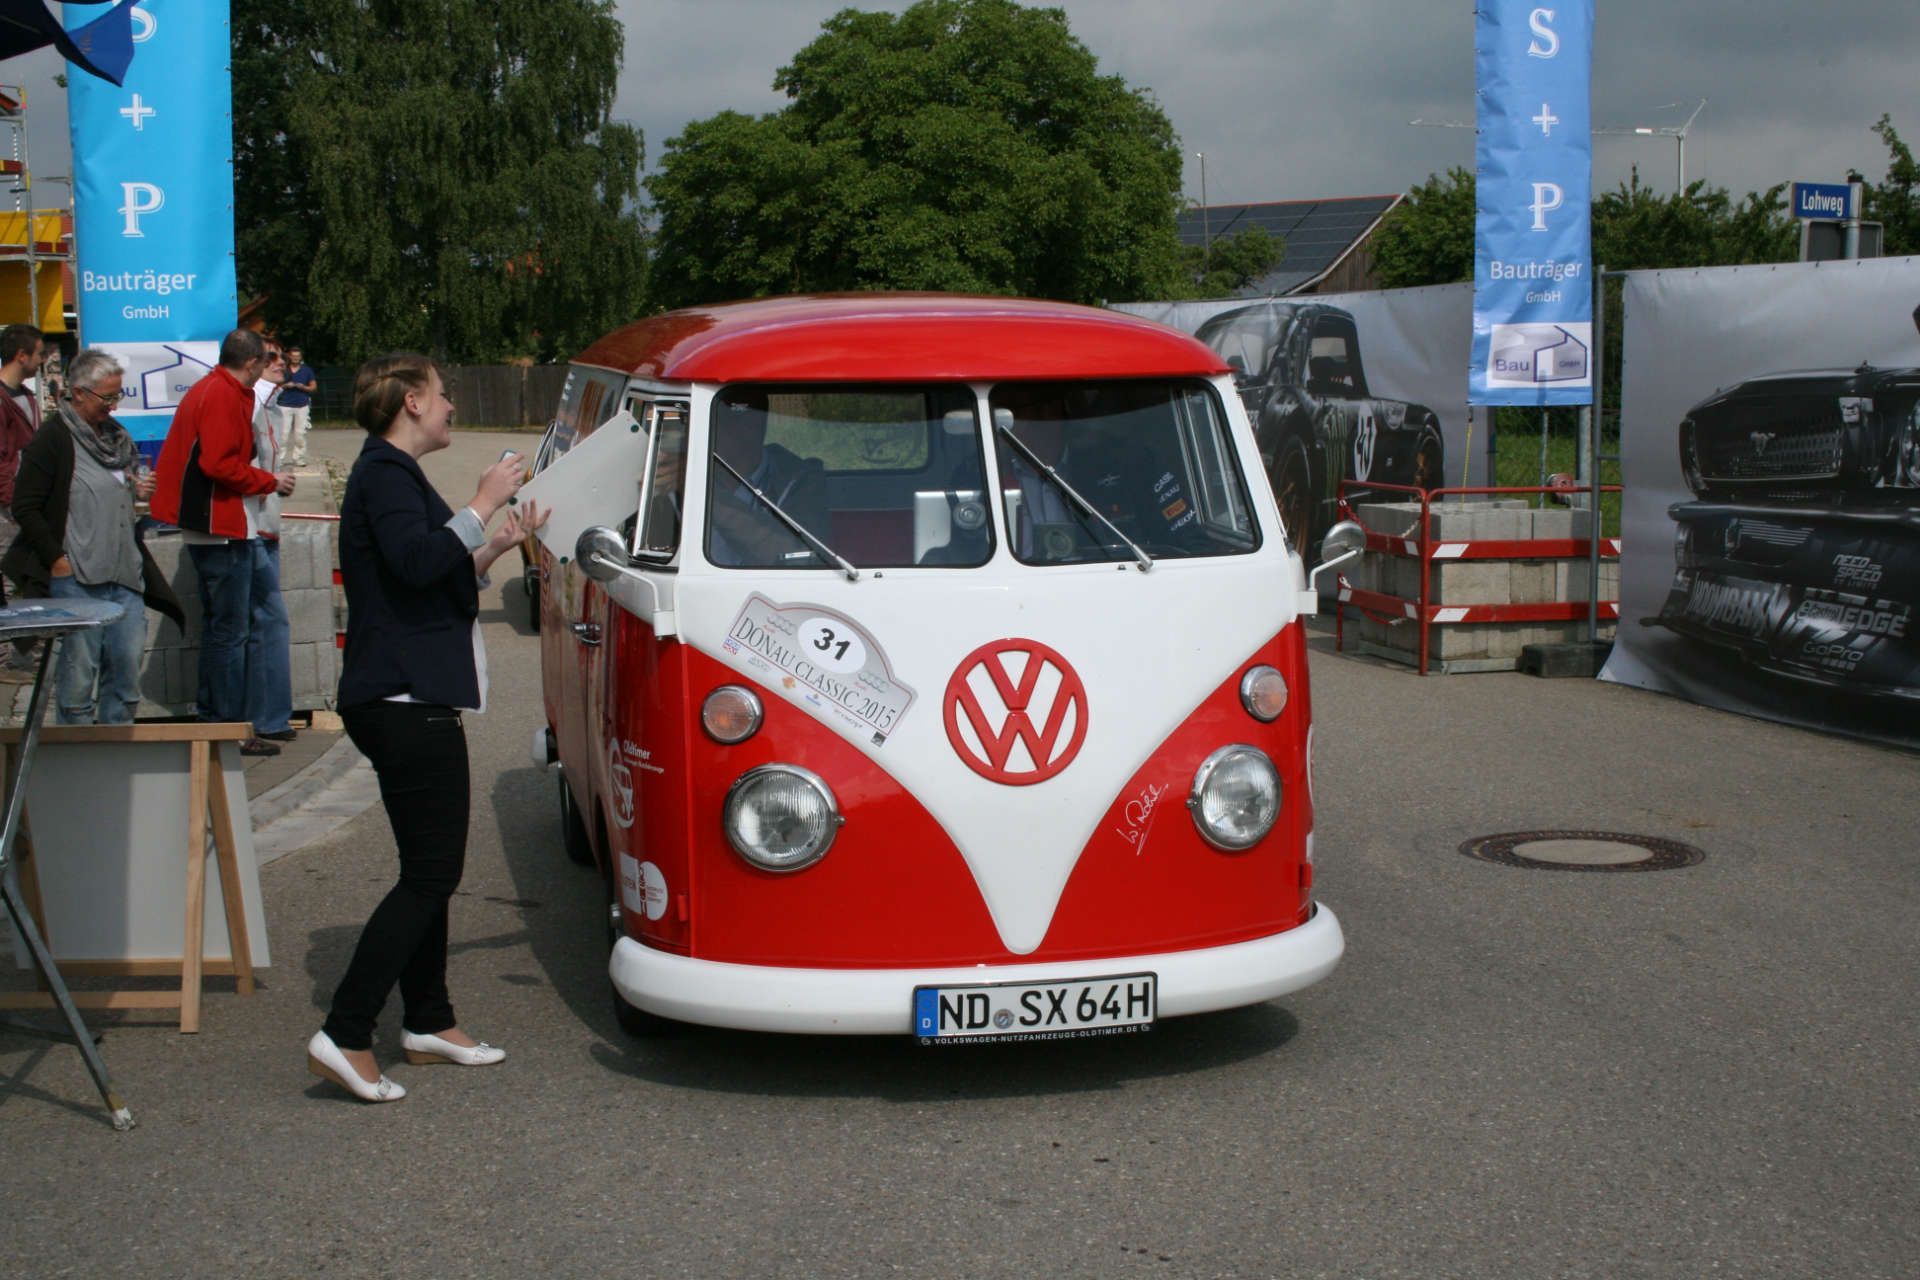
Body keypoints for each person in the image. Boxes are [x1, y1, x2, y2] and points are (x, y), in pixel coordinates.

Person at [306, 353, 543, 1105]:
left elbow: (422, 568)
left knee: (428, 869)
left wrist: (494, 547)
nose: (449, 408)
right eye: (442, 396)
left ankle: (429, 1020)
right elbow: (412, 562)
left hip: (409, 694)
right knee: (432, 874)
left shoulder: (390, 474)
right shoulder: (382, 473)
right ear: (411, 401)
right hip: (403, 701)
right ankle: (346, 1031)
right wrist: (480, 502)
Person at [0, 349, 183, 722]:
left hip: (124, 573)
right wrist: (57, 559)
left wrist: (137, 492)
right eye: (107, 397)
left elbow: (116, 495)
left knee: (126, 670)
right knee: (80, 674)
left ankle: (116, 752)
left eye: (118, 396)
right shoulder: (53, 440)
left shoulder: (115, 437)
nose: (113, 406)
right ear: (79, 393)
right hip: (78, 577)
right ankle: (76, 754)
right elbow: (26, 506)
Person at [149, 328, 296, 756]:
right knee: (229, 633)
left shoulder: (217, 389)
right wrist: (268, 480)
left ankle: (218, 721)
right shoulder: (221, 393)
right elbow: (218, 462)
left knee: (224, 631)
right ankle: (227, 728)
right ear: (250, 363)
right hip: (220, 527)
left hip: (221, 525)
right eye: (265, 362)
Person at [704, 392, 828, 565]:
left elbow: (796, 555)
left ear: (760, 423)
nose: (721, 430)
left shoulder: (800, 481)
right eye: (720, 420)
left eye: (737, 420)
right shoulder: (682, 474)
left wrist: (711, 498)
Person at [246, 341, 295, 741]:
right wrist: (269, 483)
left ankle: (267, 717)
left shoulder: (273, 406)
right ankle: (268, 719)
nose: (281, 364)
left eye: (281, 358)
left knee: (265, 623)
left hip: (267, 525)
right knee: (270, 622)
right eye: (271, 358)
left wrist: (276, 485)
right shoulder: (249, 404)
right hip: (248, 528)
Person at [0, 324, 45, 679]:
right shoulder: (2, 401)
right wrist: (12, 500)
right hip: (12, 501)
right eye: (40, 354)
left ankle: (24, 645)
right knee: (17, 567)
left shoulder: (27, 397)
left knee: (25, 567)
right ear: (22, 356)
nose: (43, 360)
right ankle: (16, 651)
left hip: (27, 498)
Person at [278, 344, 316, 467]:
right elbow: (275, 385)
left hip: (302, 405)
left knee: (300, 434)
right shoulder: (283, 369)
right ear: (289, 356)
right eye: (293, 356)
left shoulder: (307, 370)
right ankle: (280, 458)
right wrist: (285, 385)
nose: (295, 358)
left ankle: (299, 458)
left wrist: (303, 387)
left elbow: (314, 387)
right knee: (283, 433)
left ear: (300, 357)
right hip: (284, 404)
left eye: (298, 356)